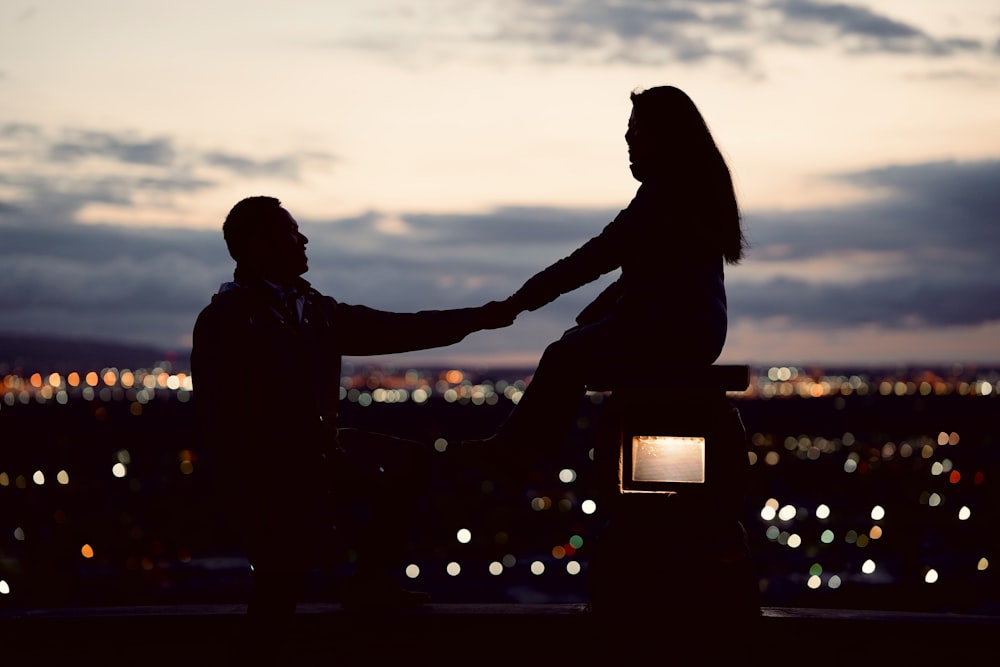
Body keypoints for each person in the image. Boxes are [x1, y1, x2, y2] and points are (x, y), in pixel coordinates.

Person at [191, 196, 515, 659]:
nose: (303, 240)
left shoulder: (315, 310)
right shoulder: (226, 320)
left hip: (321, 455)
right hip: (270, 474)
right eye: (291, 232)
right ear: (259, 245)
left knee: (409, 461)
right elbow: (218, 418)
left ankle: (372, 583)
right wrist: (250, 483)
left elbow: (396, 330)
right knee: (277, 592)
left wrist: (478, 320)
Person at [472, 85, 747, 453]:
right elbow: (648, 271)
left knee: (563, 356)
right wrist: (594, 315)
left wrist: (517, 303)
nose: (627, 137)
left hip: (671, 328)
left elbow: (593, 259)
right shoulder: (688, 190)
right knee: (574, 345)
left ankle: (512, 453)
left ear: (663, 134)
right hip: (697, 330)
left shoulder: (664, 194)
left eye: (636, 127)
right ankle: (525, 450)